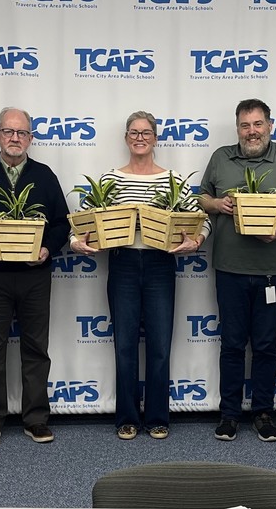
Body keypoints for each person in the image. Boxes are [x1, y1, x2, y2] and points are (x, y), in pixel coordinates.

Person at [70, 111, 211, 441]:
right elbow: (83, 219)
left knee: (160, 344)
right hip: (123, 263)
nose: (140, 138)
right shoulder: (111, 179)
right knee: (125, 345)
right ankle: (127, 417)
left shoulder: (172, 179)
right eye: (133, 132)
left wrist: (197, 241)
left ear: (155, 138)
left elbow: (202, 219)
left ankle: (158, 416)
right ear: (126, 138)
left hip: (161, 263)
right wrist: (75, 241)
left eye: (146, 132)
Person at [0, 107, 70, 449]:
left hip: (35, 275)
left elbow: (62, 223)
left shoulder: (44, 176)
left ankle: (36, 418)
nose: (15, 138)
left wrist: (47, 249)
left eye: (21, 133)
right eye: (8, 131)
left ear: (30, 138)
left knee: (36, 348)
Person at [200, 98, 276, 442]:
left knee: (265, 346)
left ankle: (263, 412)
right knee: (231, 345)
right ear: (237, 128)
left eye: (258, 124)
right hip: (229, 268)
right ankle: (229, 414)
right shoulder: (221, 157)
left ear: (269, 126)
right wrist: (218, 204)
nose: (252, 131)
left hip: (271, 270)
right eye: (245, 125)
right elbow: (202, 197)